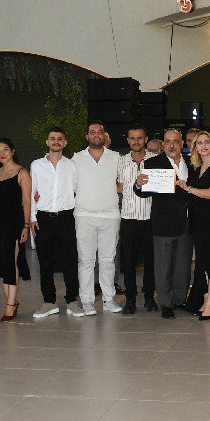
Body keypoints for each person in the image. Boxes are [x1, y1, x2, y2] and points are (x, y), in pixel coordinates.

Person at [135, 128, 192, 319]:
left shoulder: (193, 162)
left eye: (175, 141)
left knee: (183, 265)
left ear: (182, 143)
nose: (171, 145)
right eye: (167, 141)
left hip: (187, 222)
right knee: (163, 266)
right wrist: (139, 184)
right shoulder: (152, 163)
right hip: (163, 223)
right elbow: (143, 192)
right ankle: (166, 303)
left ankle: (179, 300)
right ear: (163, 144)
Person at [71, 121, 122, 316]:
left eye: (100, 132)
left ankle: (109, 300)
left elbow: (122, 183)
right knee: (86, 261)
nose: (96, 135)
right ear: (87, 136)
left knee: (108, 260)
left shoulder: (116, 157)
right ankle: (87, 301)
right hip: (84, 216)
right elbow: (67, 184)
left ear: (105, 135)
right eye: (92, 132)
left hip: (110, 215)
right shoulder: (76, 158)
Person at [30, 126, 80, 319]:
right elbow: (31, 193)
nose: (56, 141)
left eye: (60, 138)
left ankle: (72, 301)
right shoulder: (36, 165)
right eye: (52, 138)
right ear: (47, 142)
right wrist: (32, 218)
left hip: (66, 217)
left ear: (65, 142)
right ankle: (49, 302)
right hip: (43, 218)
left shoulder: (72, 165)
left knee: (70, 261)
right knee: (45, 262)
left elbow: (76, 189)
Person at [178, 130, 210, 319]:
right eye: (200, 143)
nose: (204, 146)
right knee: (202, 261)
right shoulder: (195, 167)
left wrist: (188, 188)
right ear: (195, 147)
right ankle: (206, 297)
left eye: (207, 142)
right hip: (197, 218)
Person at [0, 138, 31, 321]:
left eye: (5, 149)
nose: (2, 153)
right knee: (1, 263)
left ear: (12, 151)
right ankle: (11, 301)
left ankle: (10, 305)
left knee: (11, 261)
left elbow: (27, 201)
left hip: (14, 222)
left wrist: (26, 226)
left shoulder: (22, 172)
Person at [117, 124, 156, 314]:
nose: (136, 141)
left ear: (146, 139)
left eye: (140, 138)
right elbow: (117, 186)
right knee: (128, 262)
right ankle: (130, 299)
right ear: (128, 141)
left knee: (151, 261)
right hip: (128, 218)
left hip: (150, 218)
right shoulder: (121, 161)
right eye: (132, 138)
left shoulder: (156, 160)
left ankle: (149, 297)